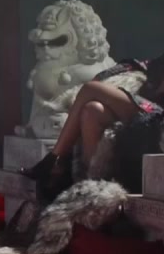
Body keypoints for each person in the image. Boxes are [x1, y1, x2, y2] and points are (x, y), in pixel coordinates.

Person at [24, 52, 164, 201]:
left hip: (159, 120)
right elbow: (148, 68)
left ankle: (53, 160)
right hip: (147, 110)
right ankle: (89, 185)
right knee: (92, 110)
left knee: (91, 88)